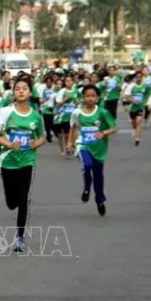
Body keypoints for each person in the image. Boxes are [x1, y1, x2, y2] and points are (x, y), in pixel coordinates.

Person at [0, 77, 46, 253]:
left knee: (23, 198)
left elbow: (41, 135)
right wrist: (8, 144)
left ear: (30, 92)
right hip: (8, 160)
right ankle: (12, 203)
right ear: (13, 92)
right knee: (11, 202)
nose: (21, 91)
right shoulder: (5, 112)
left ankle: (20, 237)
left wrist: (38, 143)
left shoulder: (36, 116)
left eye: (24, 88)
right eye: (18, 88)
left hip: (28, 160)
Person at [67, 85, 117, 216]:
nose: (90, 98)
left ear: (98, 98)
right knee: (87, 164)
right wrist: (69, 142)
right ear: (83, 98)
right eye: (87, 96)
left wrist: (104, 132)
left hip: (99, 148)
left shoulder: (103, 112)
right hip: (82, 145)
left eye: (93, 96)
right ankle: (86, 188)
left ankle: (99, 200)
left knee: (98, 176)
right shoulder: (77, 113)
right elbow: (72, 127)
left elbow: (115, 127)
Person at [123, 71, 149, 146]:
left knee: (138, 121)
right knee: (134, 123)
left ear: (142, 77)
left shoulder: (145, 86)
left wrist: (146, 102)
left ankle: (137, 139)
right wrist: (133, 101)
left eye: (140, 77)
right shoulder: (131, 86)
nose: (139, 78)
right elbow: (125, 96)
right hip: (132, 108)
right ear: (135, 78)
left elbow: (148, 94)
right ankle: (134, 129)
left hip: (140, 107)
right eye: (137, 77)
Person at [38, 75, 57, 143]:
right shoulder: (43, 88)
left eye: (50, 82)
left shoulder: (55, 88)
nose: (49, 83)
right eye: (47, 82)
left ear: (52, 82)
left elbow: (57, 98)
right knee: (47, 123)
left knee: (51, 122)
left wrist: (55, 107)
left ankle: (50, 134)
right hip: (45, 108)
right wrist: (44, 99)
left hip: (53, 107)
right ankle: (48, 135)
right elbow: (40, 99)